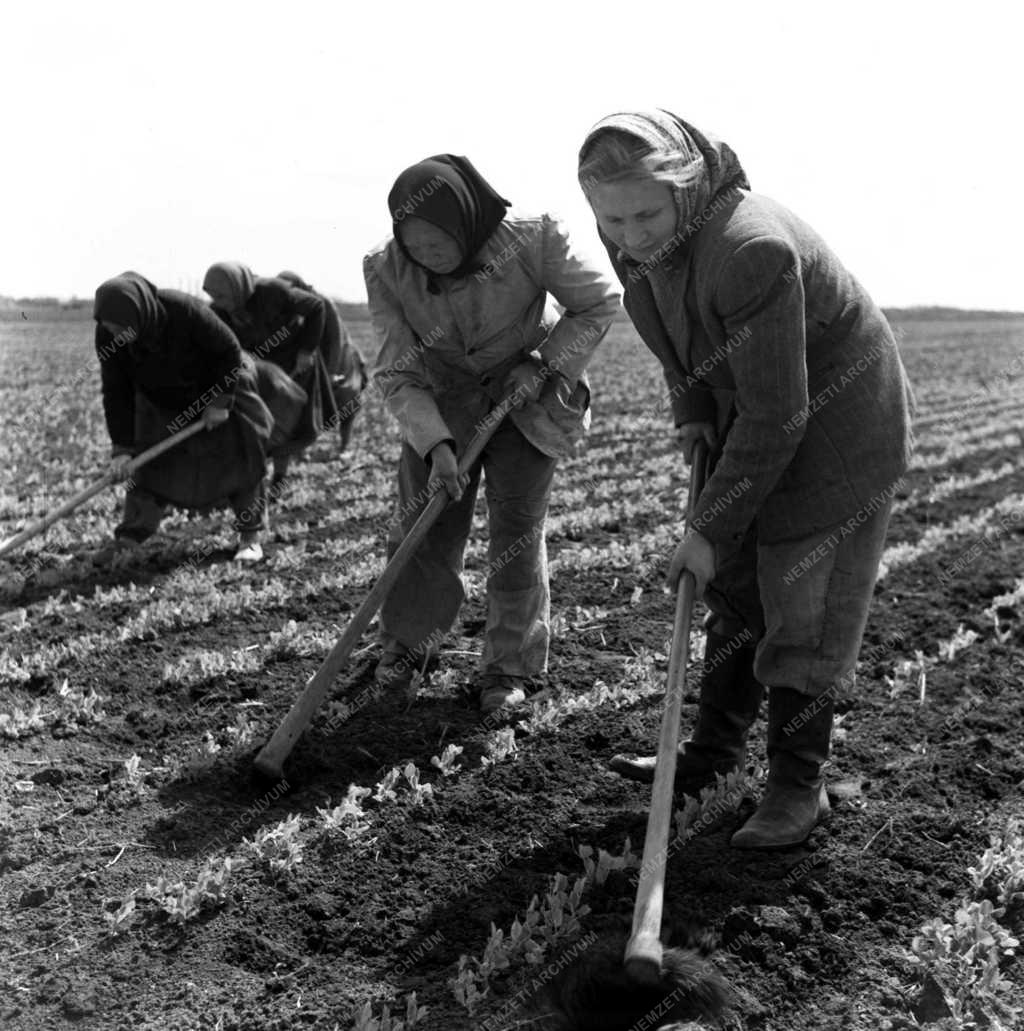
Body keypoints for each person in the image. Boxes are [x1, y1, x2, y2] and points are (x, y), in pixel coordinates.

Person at [577, 110, 914, 849]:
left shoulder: (750, 249)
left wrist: (705, 527)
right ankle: (710, 755)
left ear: (687, 187)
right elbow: (673, 330)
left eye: (644, 215)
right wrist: (693, 403)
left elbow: (777, 417)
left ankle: (799, 784)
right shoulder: (636, 228)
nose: (629, 235)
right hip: (756, 404)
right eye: (613, 218)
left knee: (801, 600)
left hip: (836, 424)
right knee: (731, 588)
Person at [364, 154, 620, 716]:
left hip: (524, 395)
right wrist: (435, 444)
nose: (426, 255)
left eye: (438, 242)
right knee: (423, 530)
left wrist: (545, 363)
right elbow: (397, 369)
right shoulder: (386, 269)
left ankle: (508, 667)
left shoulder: (532, 238)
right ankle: (406, 650)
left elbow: (598, 301)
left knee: (517, 534)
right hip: (441, 400)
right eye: (415, 245)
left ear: (466, 224)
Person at [92, 272, 275, 564]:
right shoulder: (108, 335)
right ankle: (129, 537)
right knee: (147, 464)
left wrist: (220, 402)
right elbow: (116, 392)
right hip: (162, 398)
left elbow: (228, 351)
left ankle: (250, 536)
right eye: (110, 329)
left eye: (121, 328)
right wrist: (122, 449)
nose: (116, 336)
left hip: (220, 385)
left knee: (242, 459)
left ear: (139, 314)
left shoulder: (183, 311)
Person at [202, 263, 339, 487]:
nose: (218, 302)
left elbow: (316, 306)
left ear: (237, 287)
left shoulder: (273, 291)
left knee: (288, 420)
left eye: (221, 295)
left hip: (293, 362)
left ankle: (280, 477)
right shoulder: (219, 311)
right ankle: (252, 479)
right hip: (258, 370)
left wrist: (306, 350)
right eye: (212, 296)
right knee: (260, 420)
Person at [276, 269, 368, 451]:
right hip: (312, 361)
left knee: (346, 401)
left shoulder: (322, 303)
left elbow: (336, 339)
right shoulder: (291, 306)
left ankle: (344, 444)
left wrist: (333, 371)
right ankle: (300, 448)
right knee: (303, 405)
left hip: (340, 360)